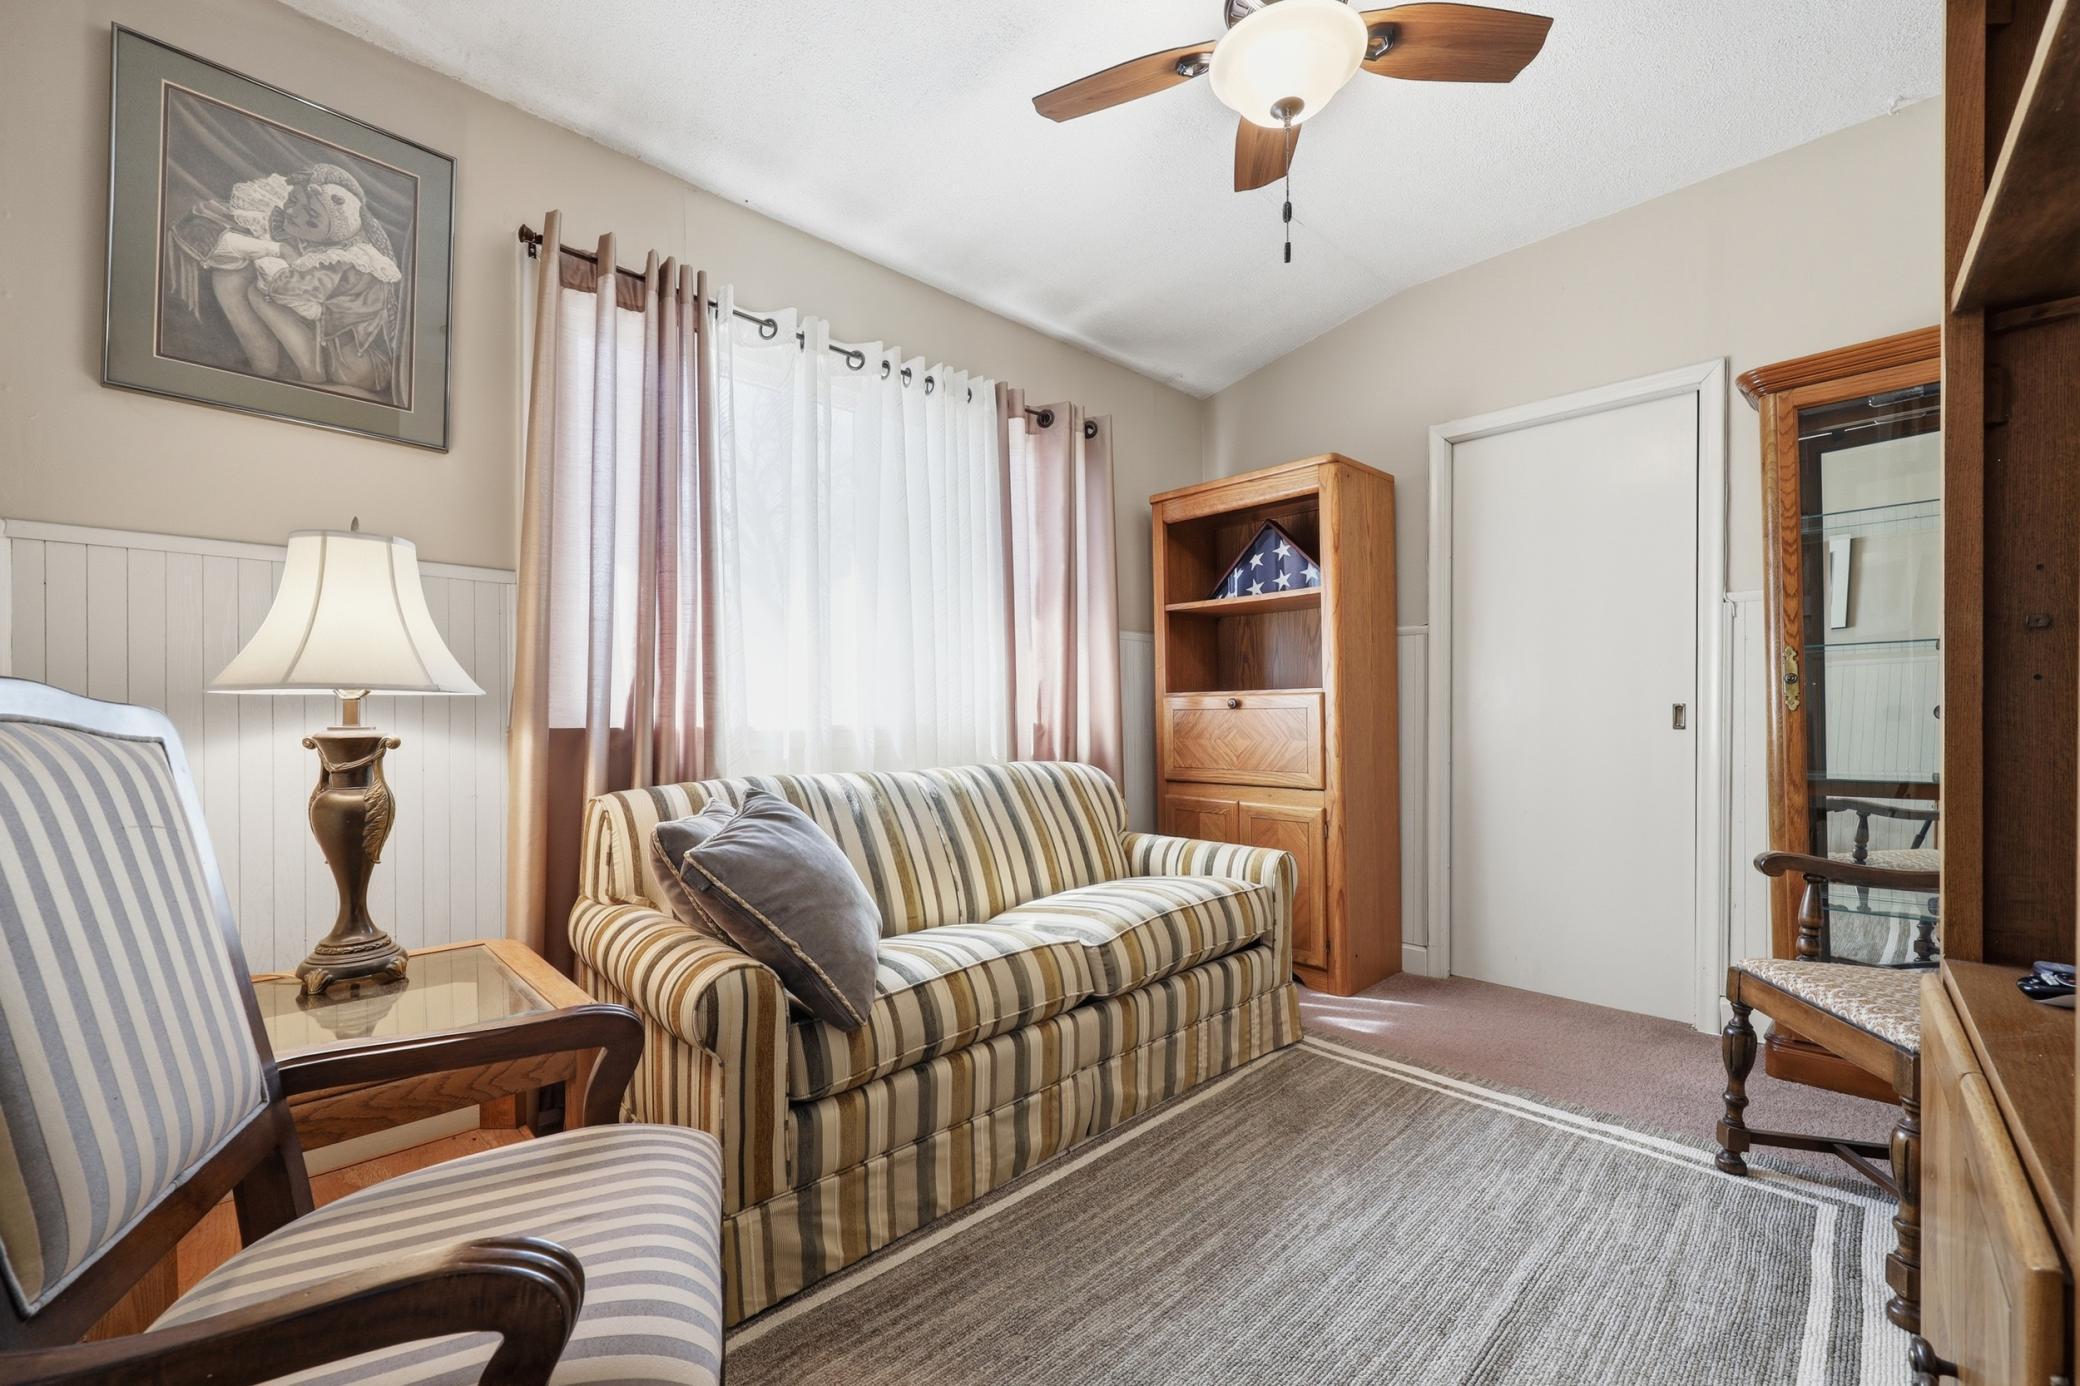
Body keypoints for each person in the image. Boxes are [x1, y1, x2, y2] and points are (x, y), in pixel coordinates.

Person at [168, 161, 404, 401]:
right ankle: (265, 369)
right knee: (231, 278)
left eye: (311, 217)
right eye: (292, 201)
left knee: (262, 295)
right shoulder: (299, 235)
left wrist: (278, 256)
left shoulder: (348, 261)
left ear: (333, 230)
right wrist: (276, 248)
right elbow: (204, 228)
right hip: (329, 349)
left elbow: (285, 288)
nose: (292, 213)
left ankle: (308, 376)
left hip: (355, 368)